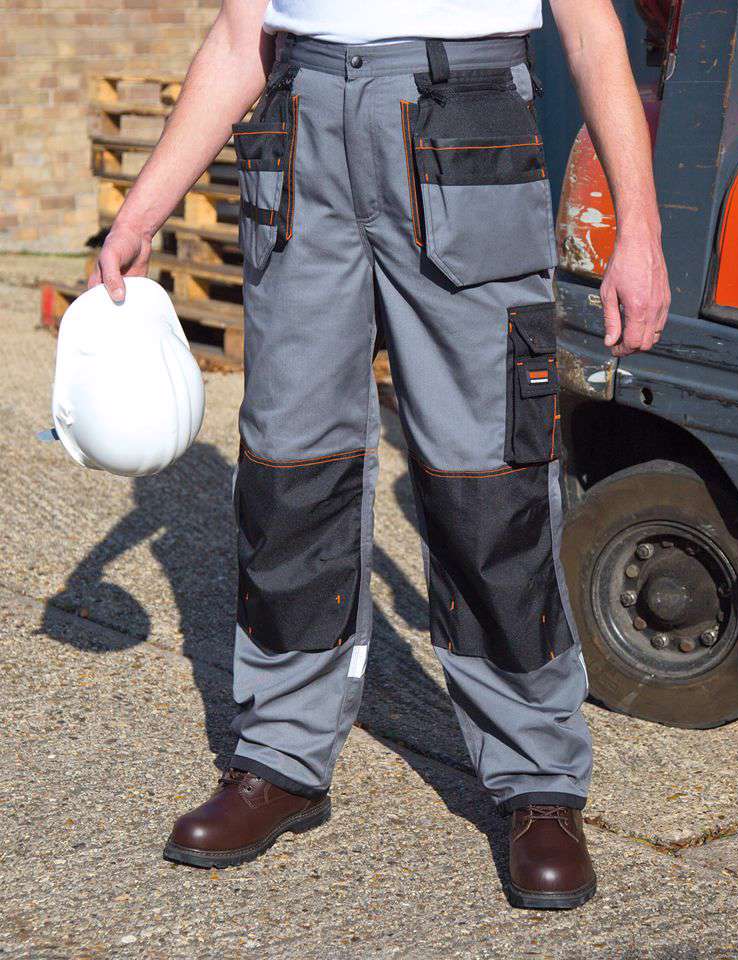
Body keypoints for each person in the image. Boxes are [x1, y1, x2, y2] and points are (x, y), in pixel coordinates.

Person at [91, 0, 669, 910]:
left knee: (490, 479)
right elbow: (242, 38)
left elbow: (593, 31)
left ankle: (539, 781)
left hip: (464, 126)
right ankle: (280, 757)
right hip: (300, 130)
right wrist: (138, 217)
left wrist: (640, 228)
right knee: (289, 470)